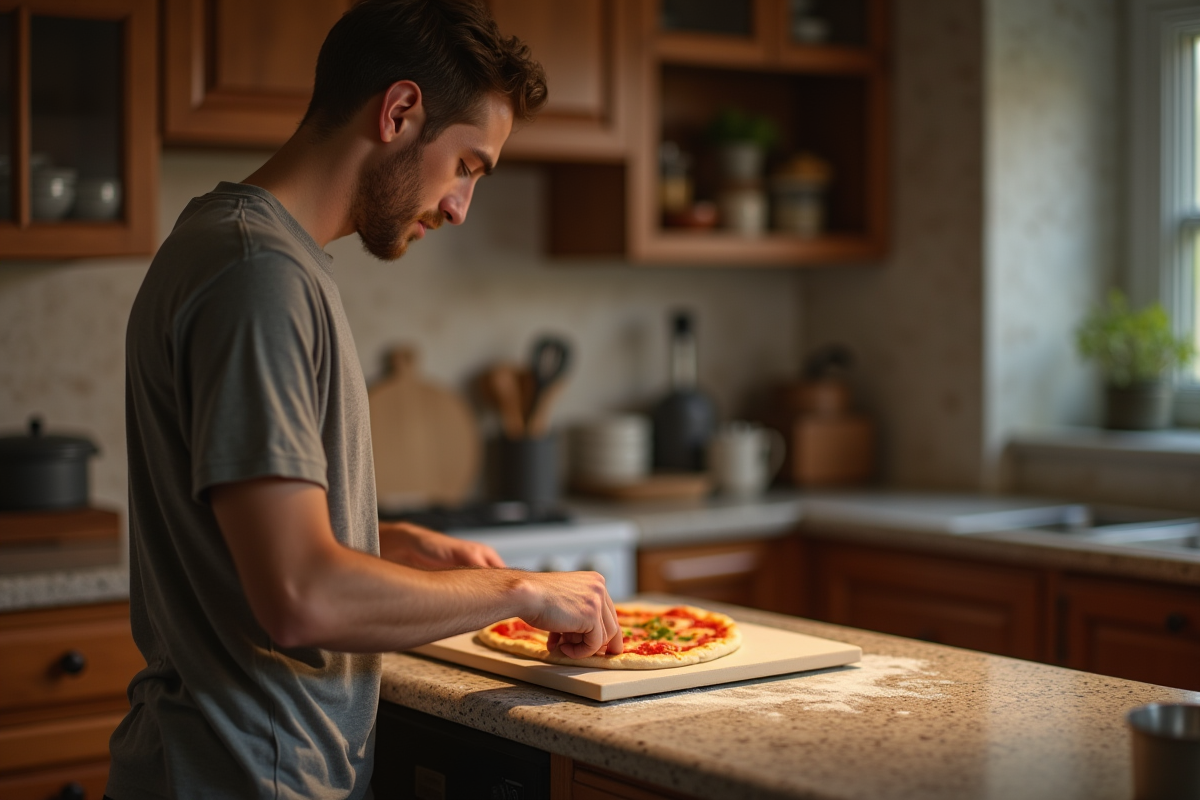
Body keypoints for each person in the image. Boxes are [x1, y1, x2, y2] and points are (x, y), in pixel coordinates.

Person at [107, 2, 623, 798]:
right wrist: (518, 590)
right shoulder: (258, 275)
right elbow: (298, 596)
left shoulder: (236, 248)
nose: (459, 207)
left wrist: (378, 542)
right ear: (400, 111)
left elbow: (237, 550)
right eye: (468, 167)